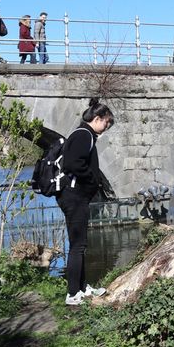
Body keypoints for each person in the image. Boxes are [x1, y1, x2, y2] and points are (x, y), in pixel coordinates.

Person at [57, 98, 115, 305]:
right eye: (106, 123)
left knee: (79, 245)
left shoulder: (83, 134)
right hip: (74, 197)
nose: (106, 127)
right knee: (77, 246)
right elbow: (73, 164)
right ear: (97, 118)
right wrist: (92, 179)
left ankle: (81, 288)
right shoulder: (84, 135)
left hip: (75, 197)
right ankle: (73, 294)